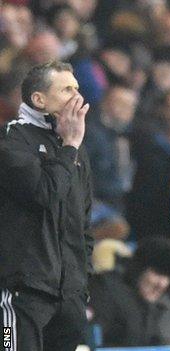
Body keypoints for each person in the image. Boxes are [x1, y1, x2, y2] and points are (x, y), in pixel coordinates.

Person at [0, 61, 92, 351]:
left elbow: (83, 221)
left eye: (77, 89)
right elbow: (44, 194)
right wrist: (69, 146)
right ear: (39, 99)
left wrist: (81, 282)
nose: (77, 97)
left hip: (69, 298)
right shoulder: (12, 139)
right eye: (66, 89)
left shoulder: (75, 147)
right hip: (24, 292)